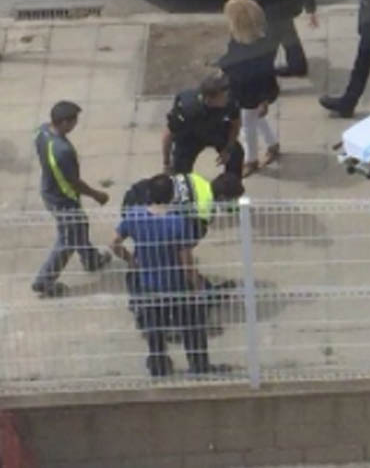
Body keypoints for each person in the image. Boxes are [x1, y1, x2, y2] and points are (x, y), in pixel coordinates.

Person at [111, 176, 229, 377]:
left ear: (149, 194)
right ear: (172, 196)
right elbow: (186, 261)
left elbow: (114, 244)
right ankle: (199, 366)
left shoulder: (134, 216)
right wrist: (198, 286)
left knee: (155, 331)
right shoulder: (178, 222)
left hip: (149, 286)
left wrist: (131, 261)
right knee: (192, 327)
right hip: (176, 285)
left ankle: (159, 367)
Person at [30, 101, 111, 297]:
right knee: (68, 240)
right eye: (74, 120)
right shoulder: (62, 150)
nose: (76, 124)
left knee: (80, 226)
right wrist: (97, 194)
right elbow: (74, 182)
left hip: (50, 190)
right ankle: (44, 280)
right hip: (63, 199)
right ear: (65, 122)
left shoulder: (41, 132)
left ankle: (91, 259)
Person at [218, 0, 280, 176]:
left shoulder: (253, 49)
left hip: (251, 94)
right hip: (248, 92)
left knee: (248, 126)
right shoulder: (262, 42)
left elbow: (264, 75)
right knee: (256, 120)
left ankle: (251, 160)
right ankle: (272, 144)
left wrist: (264, 100)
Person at [163, 74, 245, 178]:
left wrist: (228, 149)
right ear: (209, 99)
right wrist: (166, 163)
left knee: (235, 154)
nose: (227, 98)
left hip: (215, 128)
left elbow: (235, 124)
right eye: (223, 97)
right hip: (190, 136)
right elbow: (168, 135)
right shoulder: (187, 108)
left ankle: (231, 187)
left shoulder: (230, 101)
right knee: (180, 172)